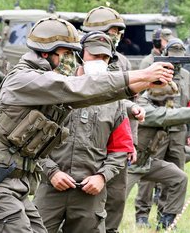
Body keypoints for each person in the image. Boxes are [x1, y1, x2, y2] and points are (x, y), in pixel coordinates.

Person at [0, 16, 174, 233]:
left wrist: (142, 83)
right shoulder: (25, 79)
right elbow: (75, 88)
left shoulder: (40, 80)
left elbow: (87, 97)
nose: (69, 60)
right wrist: (142, 73)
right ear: (46, 52)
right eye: (65, 54)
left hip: (15, 181)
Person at [33, 32, 136, 233]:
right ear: (80, 55)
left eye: (105, 58)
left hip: (90, 194)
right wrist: (51, 172)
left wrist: (102, 177)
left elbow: (120, 149)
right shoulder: (57, 89)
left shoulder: (115, 101)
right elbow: (33, 142)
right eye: (94, 56)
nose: (100, 61)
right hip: (50, 188)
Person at [134, 38, 190, 228]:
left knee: (175, 174)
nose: (176, 65)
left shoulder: (186, 76)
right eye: (173, 60)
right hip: (157, 132)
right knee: (147, 172)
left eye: (180, 61)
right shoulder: (155, 72)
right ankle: (142, 215)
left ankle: (166, 218)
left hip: (178, 132)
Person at [128, 83, 190, 230]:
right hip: (127, 166)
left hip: (144, 162)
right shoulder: (142, 107)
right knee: (112, 205)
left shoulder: (158, 106)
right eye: (168, 99)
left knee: (179, 178)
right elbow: (167, 116)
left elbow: (177, 112)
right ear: (156, 97)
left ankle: (167, 221)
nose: (171, 102)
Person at [81, 6, 145, 233]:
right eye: (113, 31)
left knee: (117, 195)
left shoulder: (123, 63)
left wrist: (132, 143)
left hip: (115, 138)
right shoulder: (76, 59)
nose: (118, 36)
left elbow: (131, 106)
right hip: (84, 137)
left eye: (119, 31)